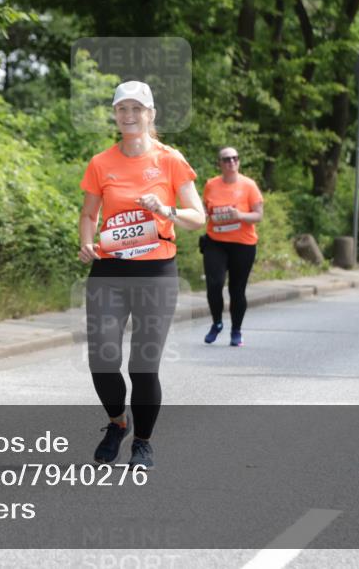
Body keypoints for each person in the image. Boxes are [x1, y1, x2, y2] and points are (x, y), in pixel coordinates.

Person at [79, 81, 205, 469]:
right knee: (102, 358)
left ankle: (143, 443)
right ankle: (118, 422)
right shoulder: (101, 162)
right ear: (115, 115)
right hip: (110, 270)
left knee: (143, 365)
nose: (129, 116)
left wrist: (166, 211)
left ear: (151, 115)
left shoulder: (170, 160)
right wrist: (86, 241)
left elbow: (197, 217)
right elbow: (89, 214)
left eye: (137, 109)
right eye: (122, 109)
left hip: (155, 272)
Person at [201, 147, 264, 347]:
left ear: (239, 162)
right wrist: (200, 215)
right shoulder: (211, 184)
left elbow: (258, 215)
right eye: (226, 159)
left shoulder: (249, 185)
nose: (231, 162)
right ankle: (217, 323)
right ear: (219, 163)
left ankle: (236, 330)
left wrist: (240, 216)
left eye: (235, 158)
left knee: (237, 290)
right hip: (215, 242)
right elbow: (204, 209)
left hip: (242, 244)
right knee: (214, 284)